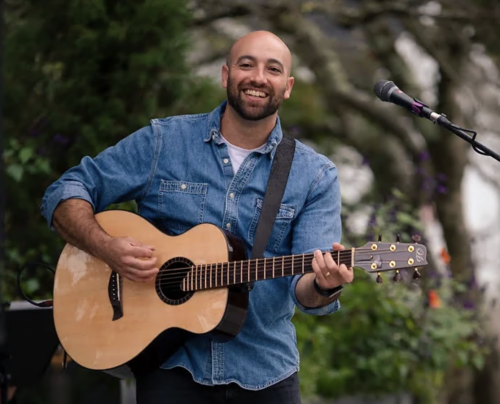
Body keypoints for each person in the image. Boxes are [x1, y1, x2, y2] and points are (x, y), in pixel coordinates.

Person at [41, 30, 354, 404]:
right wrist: (106, 247)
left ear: (286, 87)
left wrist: (324, 285)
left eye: (272, 69)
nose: (258, 77)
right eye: (246, 64)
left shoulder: (315, 175)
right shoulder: (165, 142)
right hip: (171, 365)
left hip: (266, 371)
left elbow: (306, 292)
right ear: (226, 76)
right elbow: (65, 191)